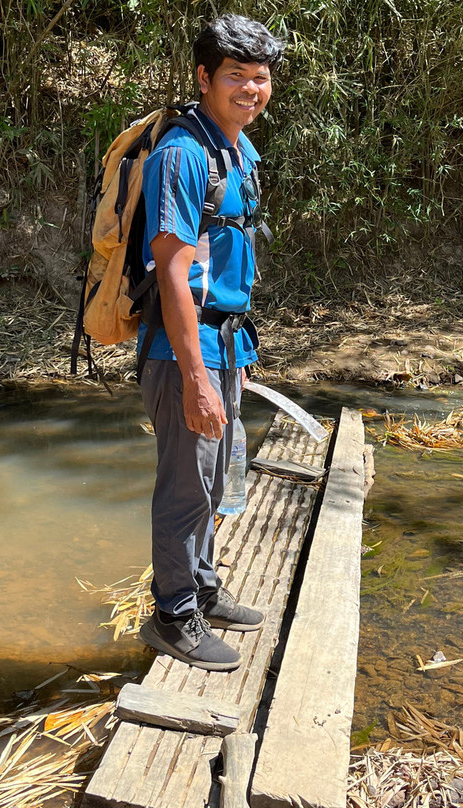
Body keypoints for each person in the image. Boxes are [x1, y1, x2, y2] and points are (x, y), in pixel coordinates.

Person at [136, 15, 284, 671]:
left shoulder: (238, 148)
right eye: (236, 76)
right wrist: (197, 377)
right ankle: (172, 617)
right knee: (185, 487)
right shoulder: (182, 154)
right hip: (181, 353)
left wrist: (238, 358)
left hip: (224, 344)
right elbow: (171, 269)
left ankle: (201, 588)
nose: (251, 89)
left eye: (260, 77)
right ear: (204, 77)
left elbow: (228, 259)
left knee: (214, 478)